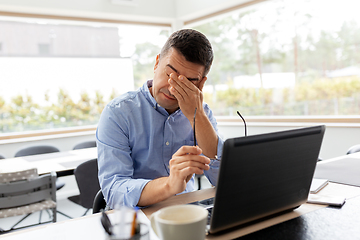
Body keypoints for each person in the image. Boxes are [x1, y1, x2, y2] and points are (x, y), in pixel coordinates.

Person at [96, 29, 224, 208]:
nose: (173, 88)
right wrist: (169, 185)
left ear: (200, 84)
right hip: (137, 218)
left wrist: (197, 116)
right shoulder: (118, 113)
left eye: (187, 82)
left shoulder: (203, 114)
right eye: (170, 74)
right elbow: (113, 191)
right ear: (157, 63)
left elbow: (223, 179)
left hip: (187, 213)